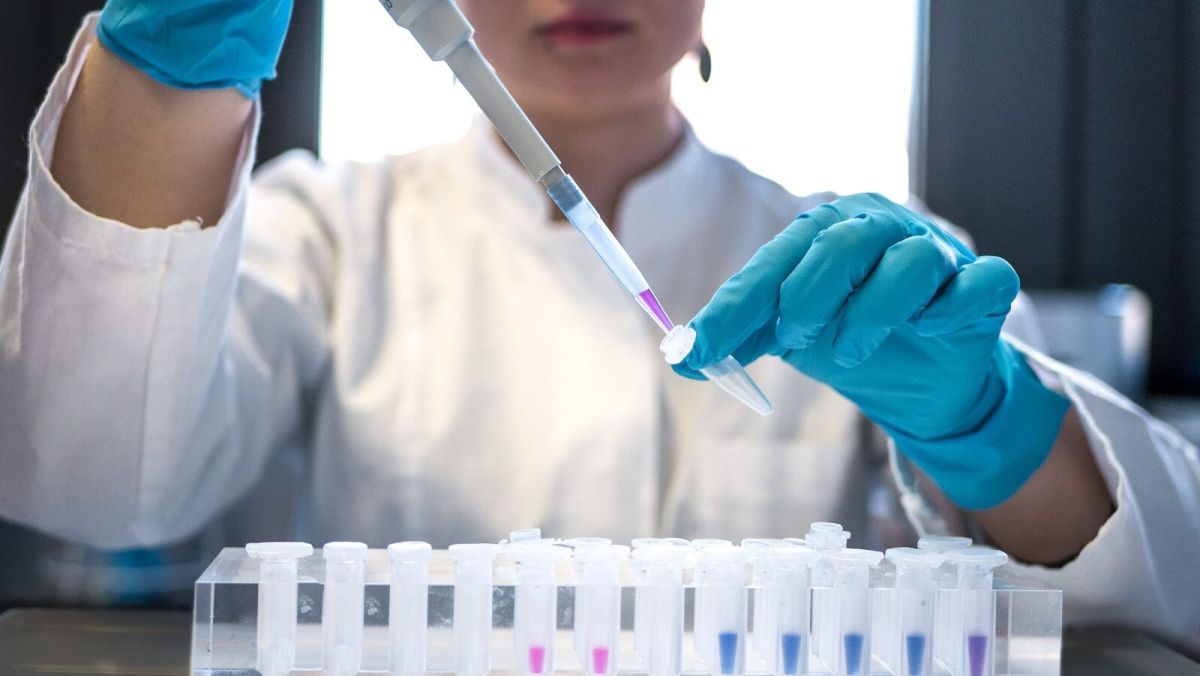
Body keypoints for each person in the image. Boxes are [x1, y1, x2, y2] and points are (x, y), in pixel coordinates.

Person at [0, 0, 1197, 652]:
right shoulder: (325, 230)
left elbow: (1161, 589)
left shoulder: (855, 263)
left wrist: (989, 429)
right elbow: (89, 481)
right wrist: (166, 77)